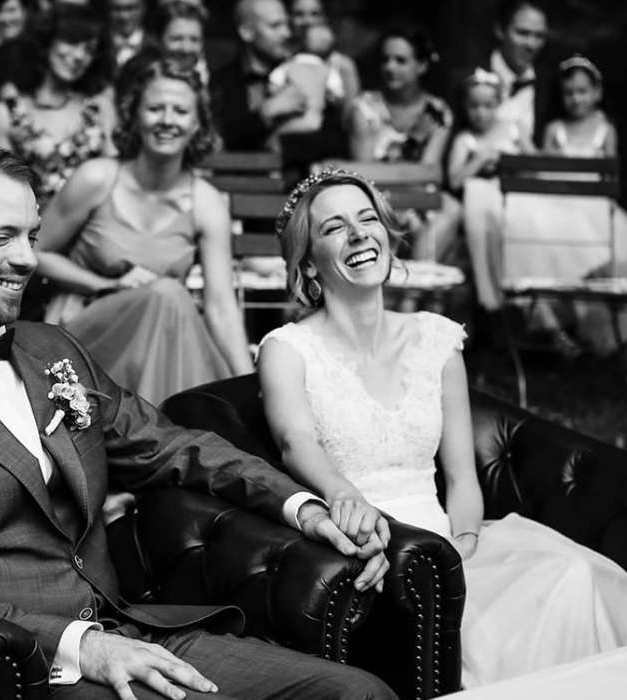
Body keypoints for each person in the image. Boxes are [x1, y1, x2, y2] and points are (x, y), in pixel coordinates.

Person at [0, 138, 396, 700]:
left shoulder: (49, 348)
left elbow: (172, 447)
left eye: (32, 236)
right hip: (28, 667)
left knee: (361, 691)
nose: (28, 258)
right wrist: (83, 648)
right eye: (1, 237)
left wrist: (306, 508)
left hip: (135, 629)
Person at [256, 167, 627, 688]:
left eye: (367, 219)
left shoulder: (437, 339)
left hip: (455, 546)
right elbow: (296, 442)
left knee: (570, 576)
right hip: (374, 552)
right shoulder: (287, 350)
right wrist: (344, 495)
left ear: (387, 235)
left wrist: (465, 545)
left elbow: (462, 479)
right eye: (334, 227)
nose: (359, 234)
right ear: (309, 264)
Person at [36, 53, 251, 405]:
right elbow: (35, 251)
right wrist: (106, 284)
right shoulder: (97, 178)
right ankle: (168, 427)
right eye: (155, 109)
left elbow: (221, 306)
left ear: (198, 123)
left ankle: (162, 424)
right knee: (166, 294)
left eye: (180, 111)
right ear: (134, 115)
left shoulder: (207, 203)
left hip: (163, 343)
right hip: (90, 334)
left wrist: (250, 387)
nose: (167, 120)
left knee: (168, 297)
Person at [507, 55, 627, 356]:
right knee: (538, 231)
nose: (576, 98)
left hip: (595, 208)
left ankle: (603, 334)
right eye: (569, 92)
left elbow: (611, 178)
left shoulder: (605, 128)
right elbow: (543, 170)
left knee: (606, 252)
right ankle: (556, 328)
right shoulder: (555, 129)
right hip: (558, 206)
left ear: (597, 92)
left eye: (582, 91)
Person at [347, 24, 459, 262]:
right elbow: (364, 174)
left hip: (419, 197)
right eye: (385, 60)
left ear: (422, 65)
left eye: (401, 60)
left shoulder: (437, 111)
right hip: (376, 197)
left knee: (450, 209)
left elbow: (427, 173)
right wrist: (413, 144)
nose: (390, 67)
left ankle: (418, 278)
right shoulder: (364, 108)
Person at [0, 3, 116, 205]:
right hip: (34, 221)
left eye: (89, 49)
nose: (79, 56)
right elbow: (7, 194)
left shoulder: (99, 108)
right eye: (71, 42)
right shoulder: (8, 113)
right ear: (47, 41)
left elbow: (114, 179)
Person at [447, 68, 534, 337]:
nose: (480, 113)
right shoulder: (465, 139)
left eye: (487, 105)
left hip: (516, 199)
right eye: (474, 106)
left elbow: (535, 165)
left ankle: (522, 297)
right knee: (479, 200)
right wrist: (480, 160)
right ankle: (493, 300)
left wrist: (508, 162)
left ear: (499, 104)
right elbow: (454, 180)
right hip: (481, 203)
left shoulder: (513, 129)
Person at [450, 0, 552, 148]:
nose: (531, 44)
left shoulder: (549, 86)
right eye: (522, 33)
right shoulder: (463, 80)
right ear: (500, 30)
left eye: (539, 36)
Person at [209, 0, 300, 152]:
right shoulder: (222, 80)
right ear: (246, 32)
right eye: (275, 26)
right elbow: (223, 137)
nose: (286, 33)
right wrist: (266, 113)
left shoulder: (299, 70)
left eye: (286, 24)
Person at [286, 0, 359, 116]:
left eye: (314, 14)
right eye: (299, 14)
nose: (307, 21)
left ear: (324, 18)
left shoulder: (343, 65)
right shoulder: (282, 59)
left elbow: (351, 114)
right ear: (289, 18)